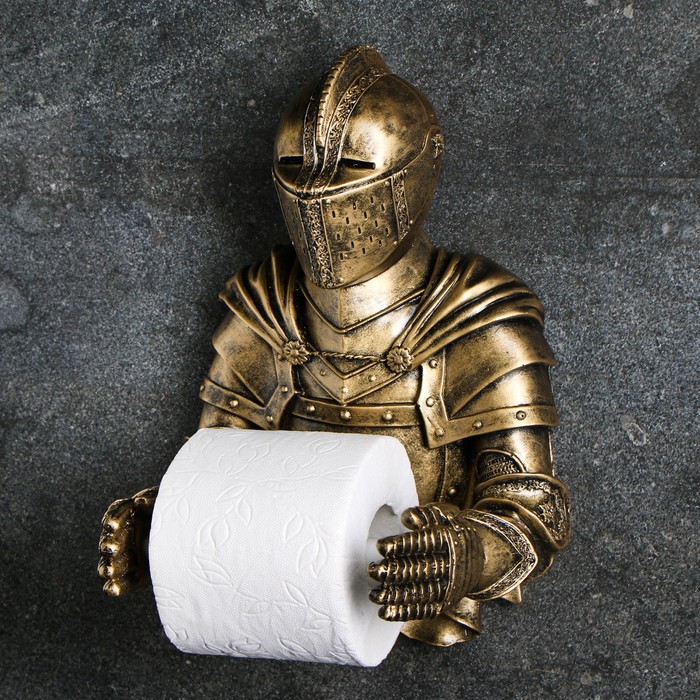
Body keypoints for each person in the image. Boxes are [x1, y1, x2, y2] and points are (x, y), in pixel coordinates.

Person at [99, 45, 570, 647]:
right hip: (268, 590)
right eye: (296, 166)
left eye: (351, 166)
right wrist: (162, 529)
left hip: (425, 604)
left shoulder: (476, 316)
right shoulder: (264, 305)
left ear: (421, 165)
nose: (317, 193)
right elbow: (216, 472)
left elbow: (532, 502)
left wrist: (470, 555)